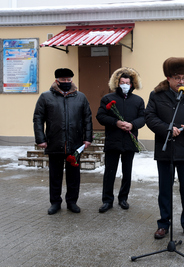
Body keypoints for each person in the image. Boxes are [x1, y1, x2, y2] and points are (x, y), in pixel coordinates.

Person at [145, 57, 184, 240]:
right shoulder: (156, 95)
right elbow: (149, 116)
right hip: (165, 150)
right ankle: (164, 224)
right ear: (168, 78)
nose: (182, 81)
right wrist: (166, 128)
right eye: (177, 77)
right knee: (165, 189)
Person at [33, 68, 93, 215]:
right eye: (63, 80)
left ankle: (72, 202)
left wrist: (87, 138)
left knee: (74, 176)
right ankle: (55, 203)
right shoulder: (45, 97)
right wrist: (41, 139)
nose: (66, 82)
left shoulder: (81, 97)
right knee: (55, 175)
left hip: (75, 144)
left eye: (69, 79)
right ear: (56, 81)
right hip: (55, 142)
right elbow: (38, 119)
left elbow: (87, 119)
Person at [96, 67, 145, 213]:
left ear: (132, 84)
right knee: (109, 172)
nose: (125, 85)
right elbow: (100, 116)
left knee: (127, 172)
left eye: (127, 83)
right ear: (117, 83)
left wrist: (133, 124)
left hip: (129, 141)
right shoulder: (108, 98)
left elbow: (143, 118)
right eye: (122, 82)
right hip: (113, 141)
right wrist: (115, 122)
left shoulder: (138, 100)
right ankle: (107, 200)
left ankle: (123, 198)